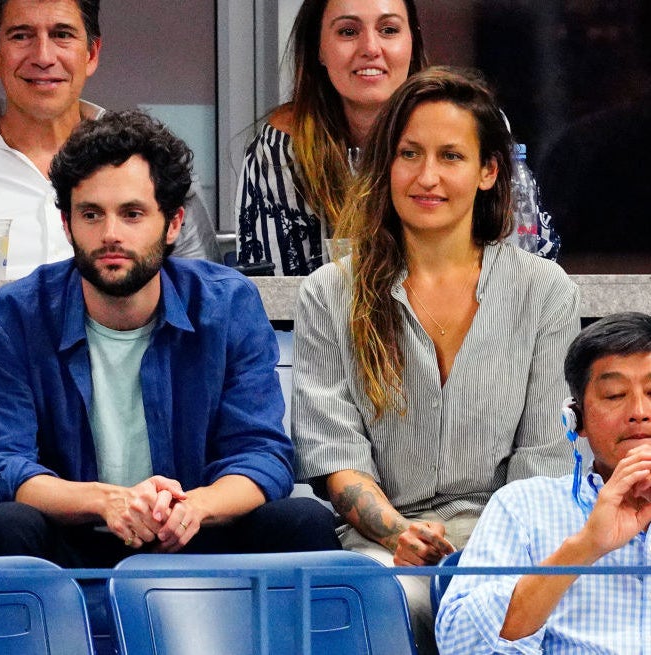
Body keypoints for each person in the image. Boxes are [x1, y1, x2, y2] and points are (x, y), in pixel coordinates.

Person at [0, 110, 340, 567]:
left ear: (174, 222)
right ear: (67, 225)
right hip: (73, 541)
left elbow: (260, 455)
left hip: (196, 536)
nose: (110, 235)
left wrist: (195, 508)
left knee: (302, 521)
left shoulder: (227, 305)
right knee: (3, 526)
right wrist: (107, 502)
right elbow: (0, 467)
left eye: (133, 214)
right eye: (91, 214)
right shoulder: (15, 316)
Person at [291, 67, 579, 654]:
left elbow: (544, 457)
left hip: (509, 544)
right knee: (401, 597)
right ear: (387, 166)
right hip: (381, 547)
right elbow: (336, 457)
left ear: (488, 171)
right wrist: (400, 533)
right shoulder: (330, 294)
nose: (427, 177)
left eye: (451, 156)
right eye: (409, 154)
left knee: (494, 602)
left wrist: (492, 556)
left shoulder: (545, 292)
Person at [235, 0, 558, 276]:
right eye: (348, 32)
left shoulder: (469, 119)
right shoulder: (284, 147)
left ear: (412, 41)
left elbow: (533, 254)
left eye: (388, 30)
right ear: (318, 47)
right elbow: (278, 299)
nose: (370, 49)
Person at [0, 0, 220, 280]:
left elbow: (203, 303)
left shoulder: (153, 163)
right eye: (21, 36)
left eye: (62, 34)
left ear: (92, 53)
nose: (43, 57)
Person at [437, 312, 651, 653]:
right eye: (614, 395)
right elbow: (463, 644)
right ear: (576, 418)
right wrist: (584, 547)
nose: (639, 411)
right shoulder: (522, 507)